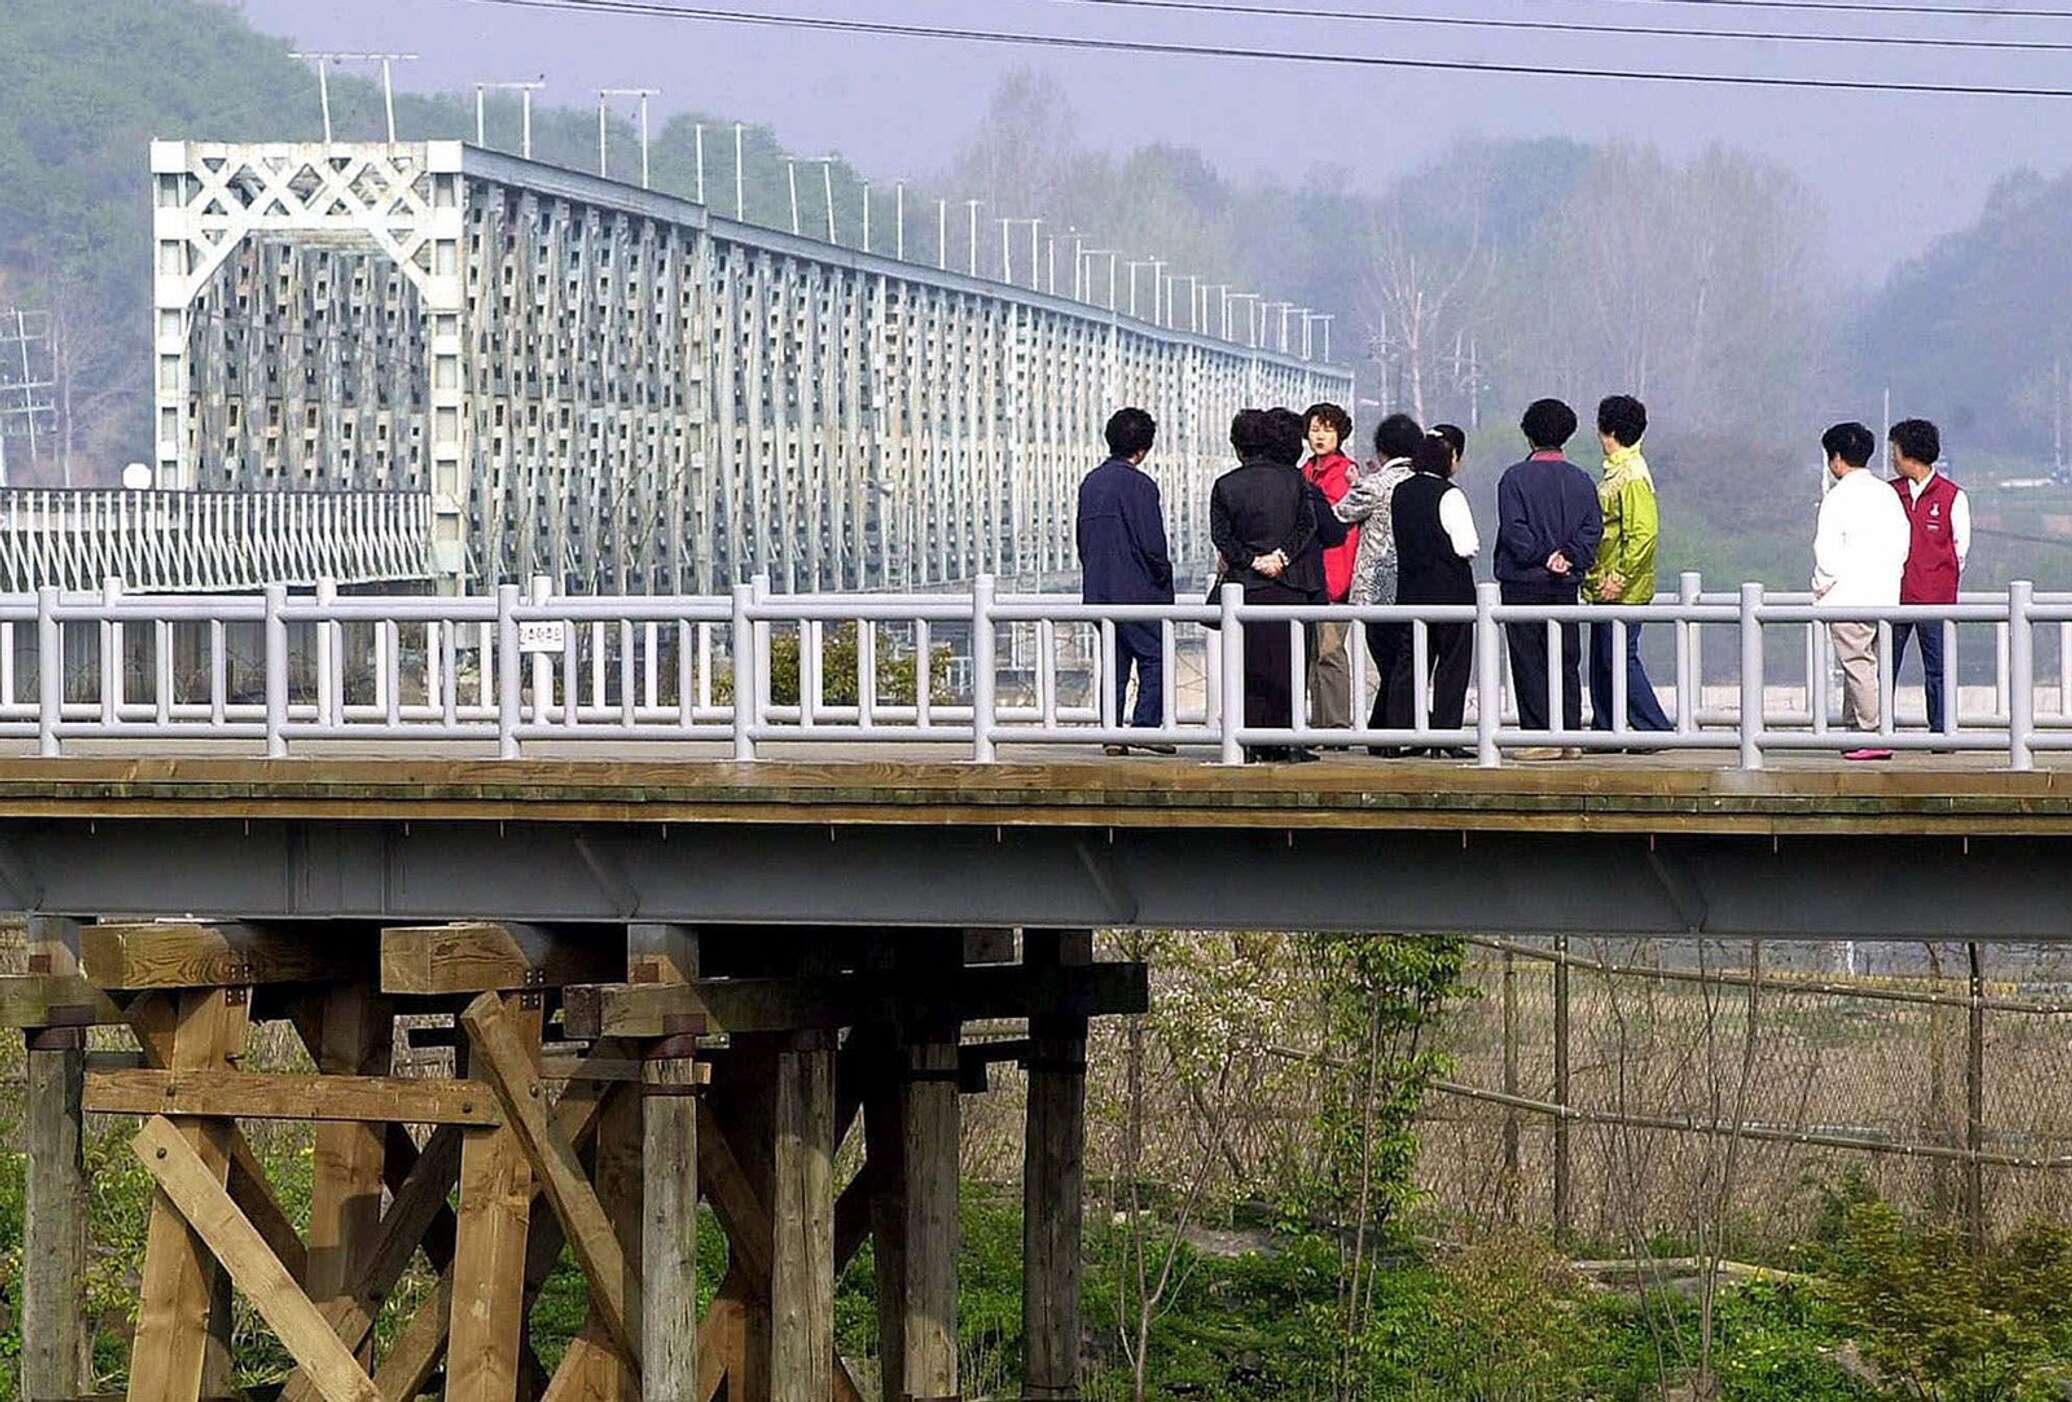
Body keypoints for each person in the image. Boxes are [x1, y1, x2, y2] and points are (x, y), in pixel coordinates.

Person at [1210, 409, 1321, 763]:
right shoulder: (1296, 480)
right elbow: (1308, 526)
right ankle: (1287, 740)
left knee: (1249, 667)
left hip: (1245, 588)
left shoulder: (1226, 485)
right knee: (1290, 664)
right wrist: (1282, 557)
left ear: (1239, 445)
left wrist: (1251, 560)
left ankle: (1249, 739)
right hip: (1291, 585)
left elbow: (1222, 536)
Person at [1494, 399, 1603, 759]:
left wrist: (1543, 556)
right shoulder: (1582, 481)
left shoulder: (1514, 478)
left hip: (1524, 583)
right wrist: (1568, 555)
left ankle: (1540, 736)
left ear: (1528, 434)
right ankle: (1569, 733)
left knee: (1529, 660)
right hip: (1564, 586)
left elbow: (1515, 531)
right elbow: (1592, 530)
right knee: (1565, 658)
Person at [1077, 406, 1176, 755]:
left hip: (1100, 590)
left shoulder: (1091, 482)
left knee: (1116, 663)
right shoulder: (1141, 486)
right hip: (1138, 591)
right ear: (1144, 447)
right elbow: (1152, 544)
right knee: (1156, 656)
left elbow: (1082, 539)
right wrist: (1164, 577)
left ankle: (1111, 734)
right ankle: (1146, 727)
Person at [1813, 421, 1912, 761]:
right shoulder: (1887, 493)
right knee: (1869, 665)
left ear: (1837, 458)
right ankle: (1855, 729)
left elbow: (1826, 554)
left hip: (1848, 596)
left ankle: (1872, 732)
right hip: (1884, 595)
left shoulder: (1837, 498)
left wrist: (1821, 587)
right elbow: (1903, 544)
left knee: (1856, 665)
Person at [1331, 412, 1425, 749]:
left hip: (1375, 588)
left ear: (1382, 449)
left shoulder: (1374, 485)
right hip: (1414, 585)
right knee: (1402, 663)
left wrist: (1355, 481)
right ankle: (1390, 729)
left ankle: (1384, 733)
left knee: (1389, 664)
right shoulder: (1421, 482)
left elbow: (1338, 514)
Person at [1383, 430, 1480, 757]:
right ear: (1449, 460)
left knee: (1409, 663)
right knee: (1452, 665)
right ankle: (1445, 736)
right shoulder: (1449, 494)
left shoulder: (1401, 492)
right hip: (1451, 592)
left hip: (1411, 591)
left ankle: (1398, 734)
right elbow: (1466, 545)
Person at [1584, 395, 1673, 736]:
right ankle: (1606, 727)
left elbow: (1643, 532)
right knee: (1603, 659)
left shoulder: (1632, 474)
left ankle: (1653, 726)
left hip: (1621, 587)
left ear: (1608, 431)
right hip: (1604, 583)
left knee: (1618, 657)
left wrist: (1620, 576)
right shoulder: (1619, 471)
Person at [1888, 418, 1969, 737]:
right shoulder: (1890, 494)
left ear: (1909, 454)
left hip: (1937, 600)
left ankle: (1941, 732)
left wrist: (1938, 579)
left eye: (1895, 450)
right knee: (1885, 668)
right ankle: (1879, 731)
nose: (1892, 458)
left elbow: (1960, 549)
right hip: (1894, 598)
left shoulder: (1952, 496)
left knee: (1938, 670)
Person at [1302, 402, 1360, 732]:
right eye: (1314, 429)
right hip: (1311, 576)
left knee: (1330, 650)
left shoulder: (1346, 473)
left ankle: (1336, 725)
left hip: (1337, 575)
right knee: (1314, 655)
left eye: (1327, 429)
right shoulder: (1305, 471)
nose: (1320, 436)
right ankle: (1321, 724)